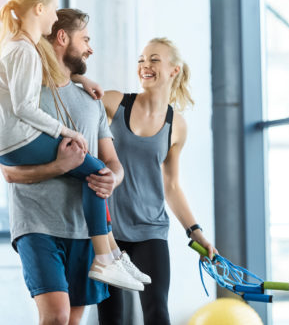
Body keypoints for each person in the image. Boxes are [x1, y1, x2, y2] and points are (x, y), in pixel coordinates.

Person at [0, 8, 149, 325]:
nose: (90, 48)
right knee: (56, 316)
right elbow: (9, 172)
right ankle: (112, 258)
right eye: (86, 39)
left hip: (84, 230)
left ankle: (110, 258)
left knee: (72, 321)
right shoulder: (27, 95)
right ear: (62, 37)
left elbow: (111, 163)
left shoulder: (92, 100)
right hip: (36, 225)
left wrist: (112, 179)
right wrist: (59, 165)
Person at [88, 37, 217, 325]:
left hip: (151, 230)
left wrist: (196, 232)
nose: (145, 65)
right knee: (111, 317)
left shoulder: (177, 125)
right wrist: (82, 79)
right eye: (142, 60)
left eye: (154, 59)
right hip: (109, 230)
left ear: (174, 70)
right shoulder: (115, 102)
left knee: (157, 310)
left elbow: (171, 186)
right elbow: (77, 98)